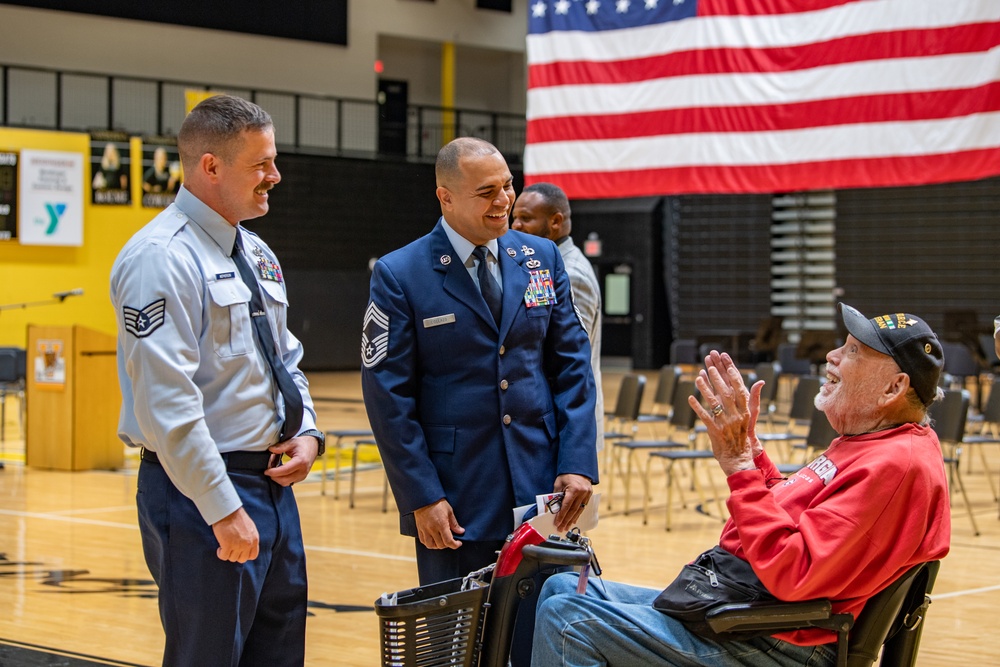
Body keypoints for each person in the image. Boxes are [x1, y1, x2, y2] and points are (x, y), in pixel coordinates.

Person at [531, 303, 951, 667]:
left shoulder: (896, 465)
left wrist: (739, 467)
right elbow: (794, 512)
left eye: (853, 351)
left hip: (781, 643)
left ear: (894, 387)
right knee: (564, 585)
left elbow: (794, 571)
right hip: (755, 616)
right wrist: (752, 454)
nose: (832, 355)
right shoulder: (878, 442)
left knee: (568, 619)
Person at [110, 94, 325, 666]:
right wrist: (222, 509)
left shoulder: (254, 250)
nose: (274, 177)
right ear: (211, 166)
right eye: (261, 165)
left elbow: (286, 358)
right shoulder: (162, 257)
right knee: (207, 656)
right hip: (200, 493)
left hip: (272, 486)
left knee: (278, 655)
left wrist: (308, 433)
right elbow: (166, 402)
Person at [361, 137, 599, 586]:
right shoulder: (401, 273)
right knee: (460, 647)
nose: (504, 200)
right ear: (445, 197)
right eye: (486, 192)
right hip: (455, 499)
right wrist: (421, 496)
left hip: (542, 488)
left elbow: (572, 365)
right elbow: (387, 396)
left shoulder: (541, 258)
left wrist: (578, 461)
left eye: (508, 186)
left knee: (541, 632)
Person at [511, 182, 604, 452]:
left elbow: (570, 360)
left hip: (567, 427)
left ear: (555, 221)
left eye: (526, 218)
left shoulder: (571, 272)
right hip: (546, 421)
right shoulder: (543, 267)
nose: (515, 225)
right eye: (514, 217)